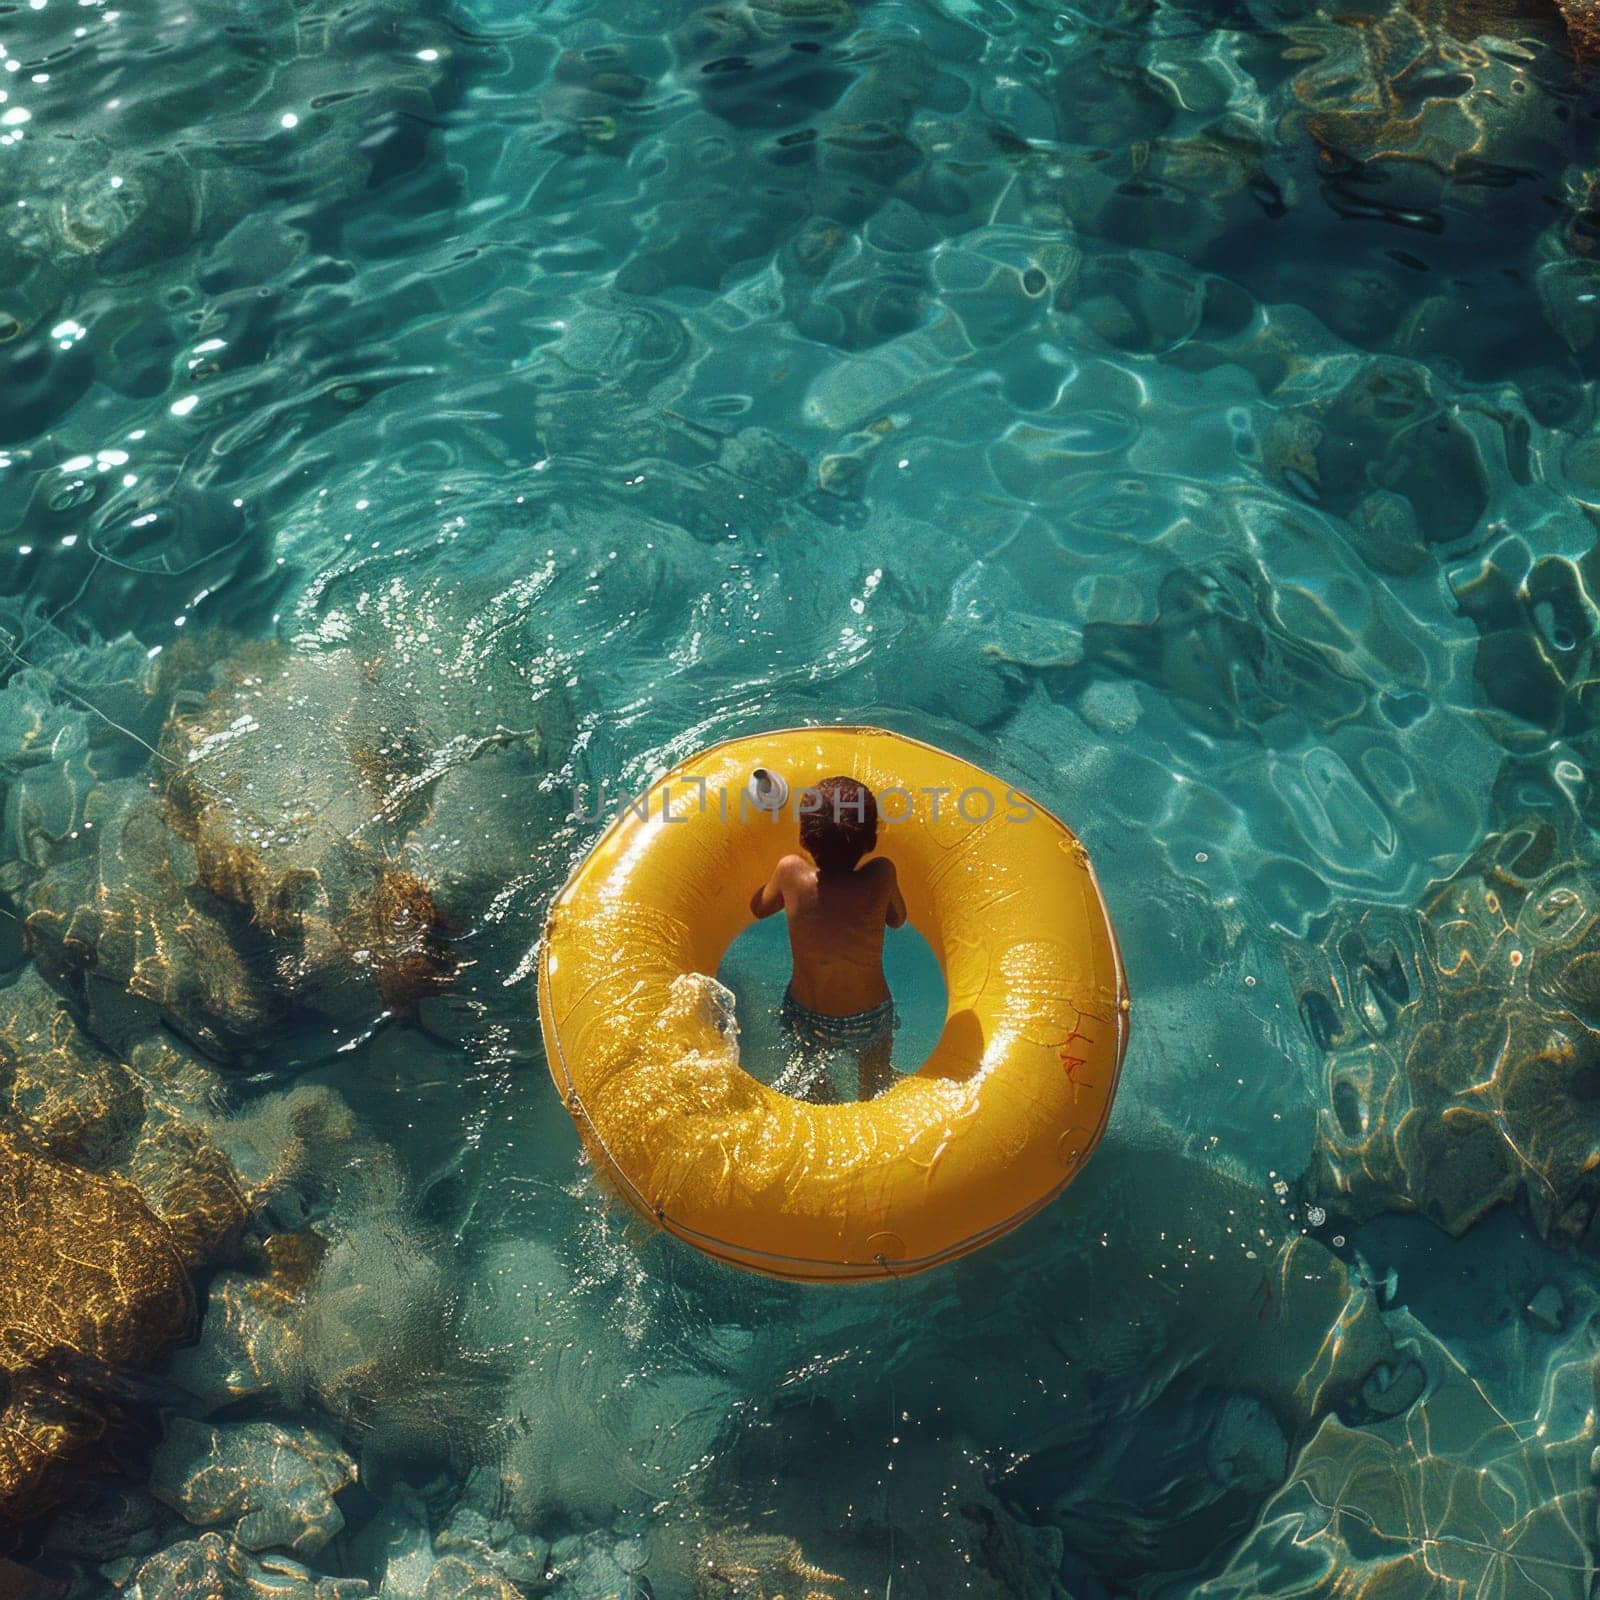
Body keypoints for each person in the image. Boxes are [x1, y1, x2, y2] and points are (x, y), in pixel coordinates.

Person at [748, 775, 907, 1102]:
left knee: (808, 1082)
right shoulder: (881, 874)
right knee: (874, 1090)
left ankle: (822, 1097)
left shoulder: (790, 872)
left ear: (804, 838)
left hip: (808, 1014)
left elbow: (758, 908)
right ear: (871, 839)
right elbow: (898, 919)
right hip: (869, 1018)